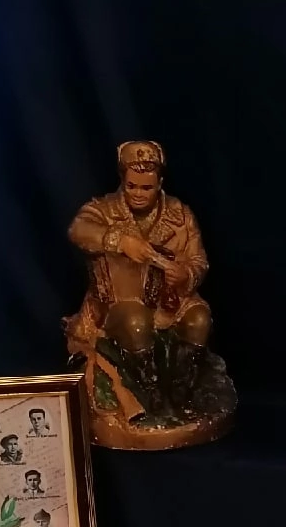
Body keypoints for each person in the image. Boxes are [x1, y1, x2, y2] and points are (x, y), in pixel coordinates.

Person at [66, 140, 211, 416]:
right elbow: (78, 230)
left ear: (160, 183)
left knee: (200, 319)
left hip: (171, 302)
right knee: (135, 322)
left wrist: (186, 274)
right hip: (118, 302)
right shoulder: (104, 210)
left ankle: (182, 390)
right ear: (122, 180)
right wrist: (119, 241)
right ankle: (147, 390)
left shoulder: (180, 215)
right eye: (131, 186)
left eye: (147, 188)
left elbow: (198, 260)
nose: (138, 194)